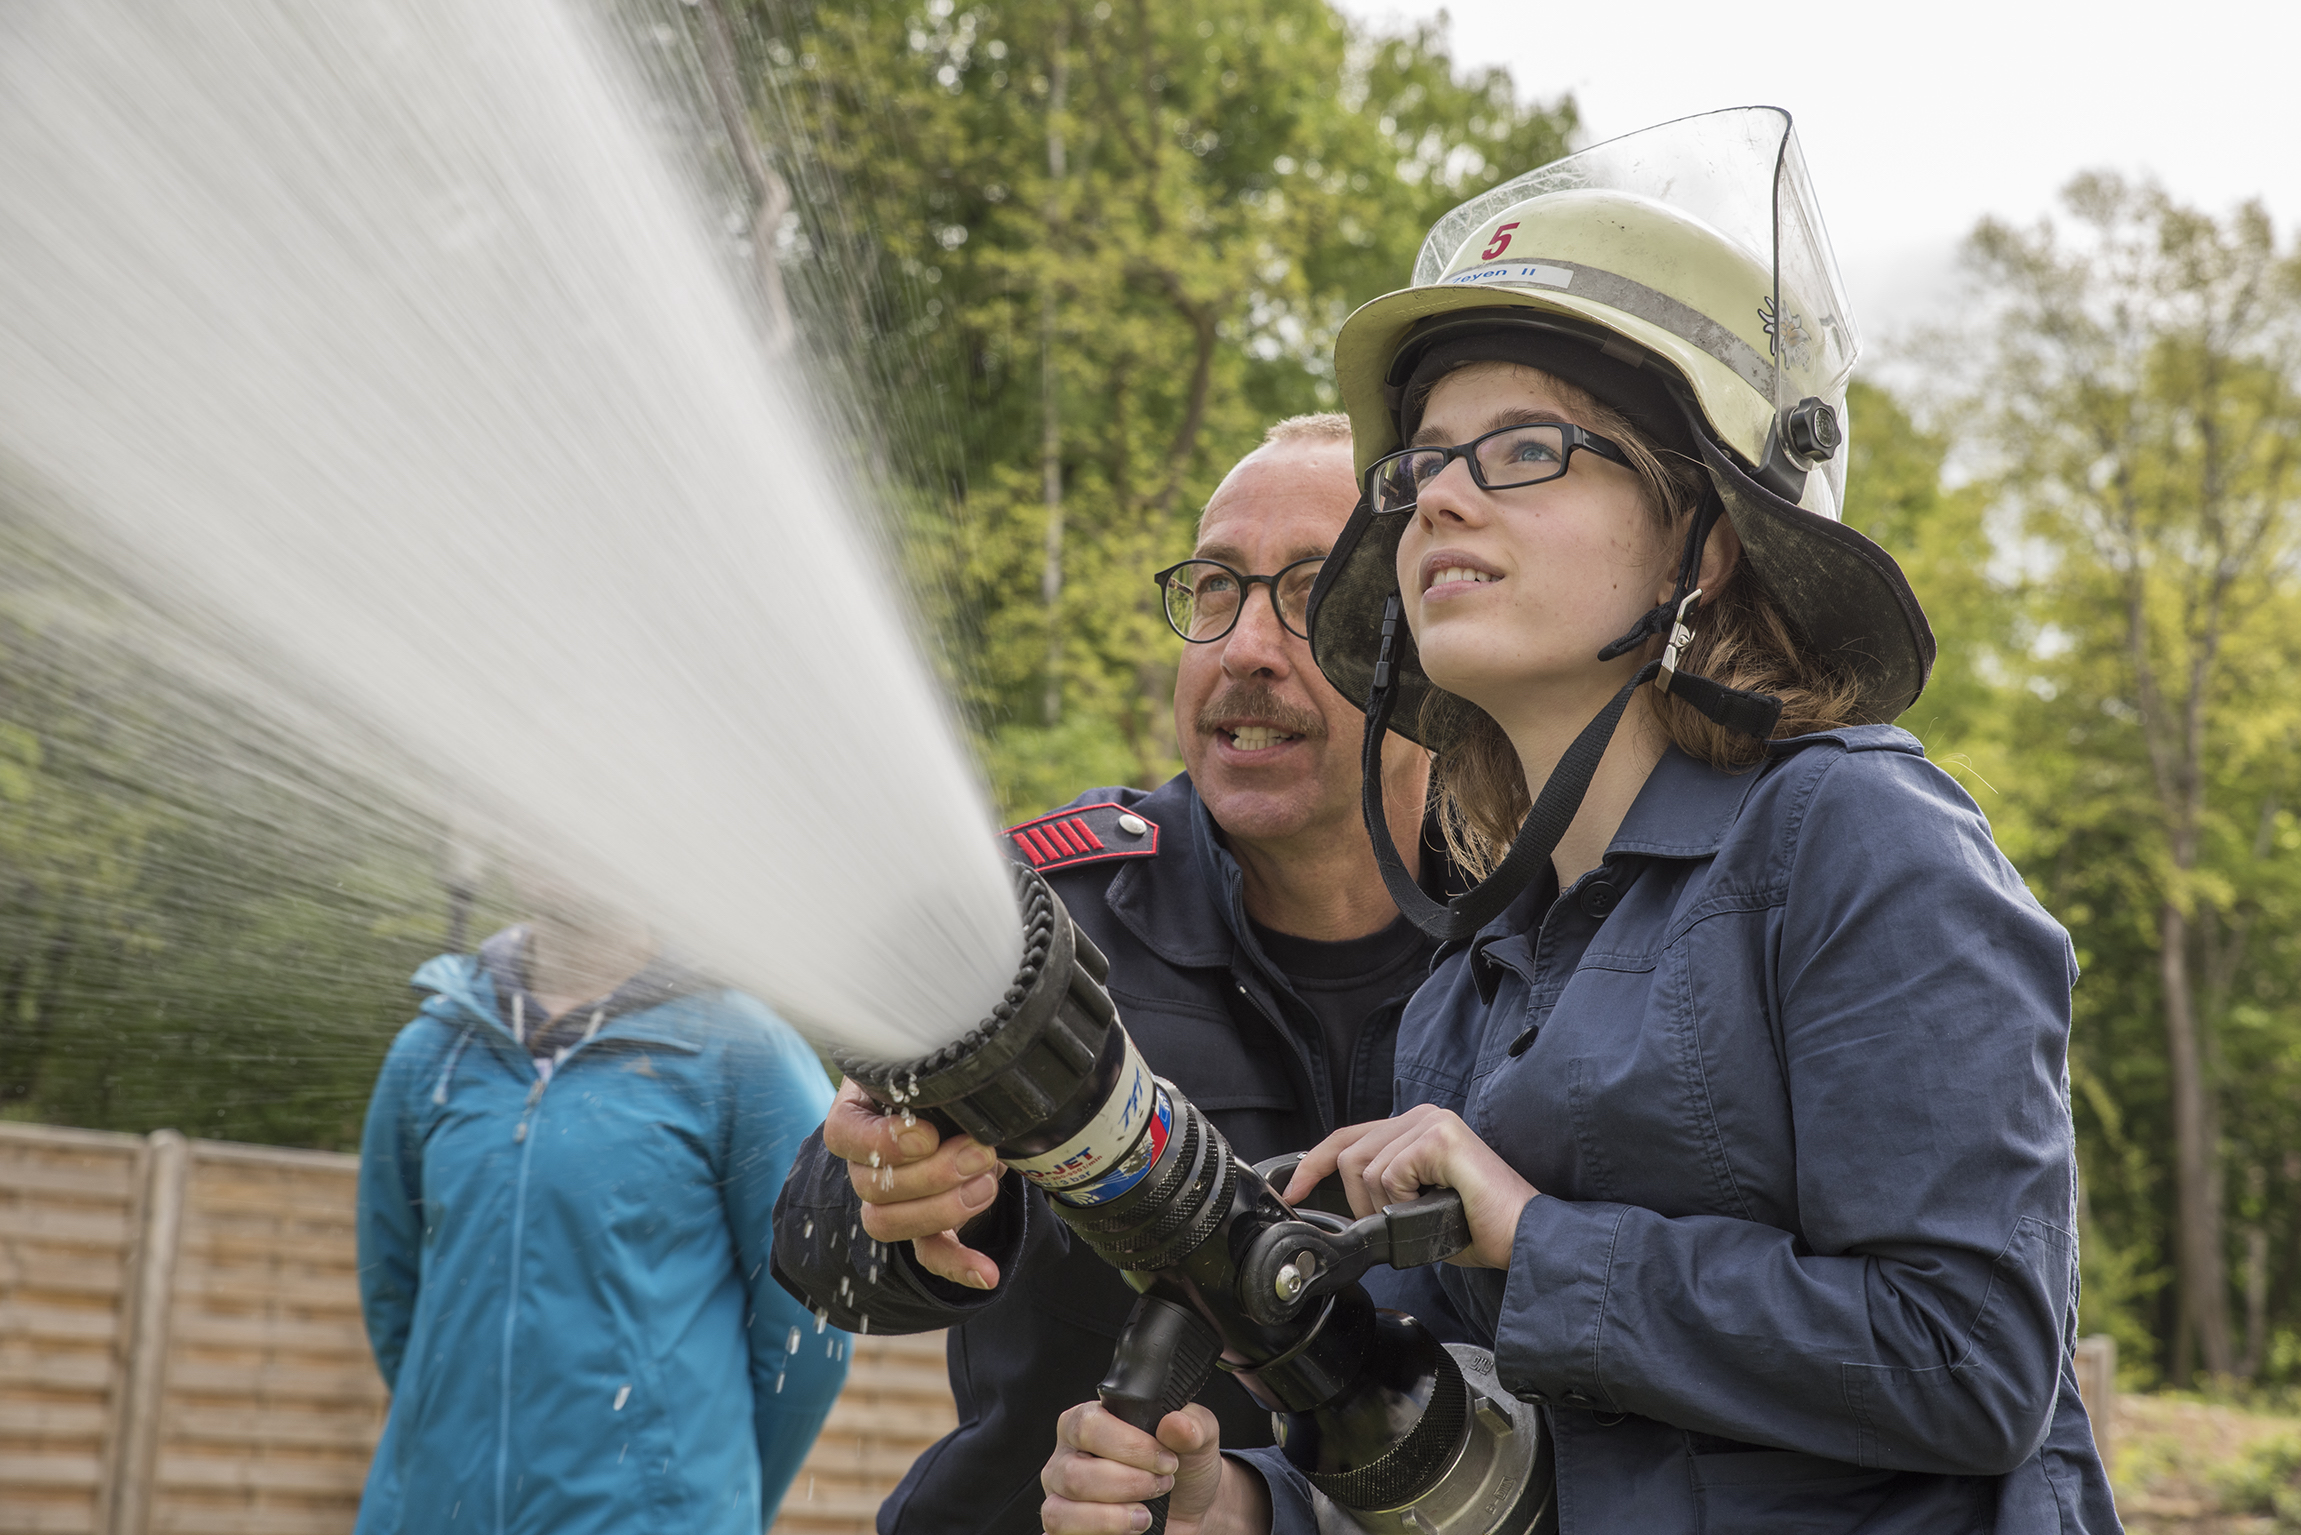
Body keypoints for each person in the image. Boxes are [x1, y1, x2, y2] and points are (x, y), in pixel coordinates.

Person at [1036, 108, 2121, 1534]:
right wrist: (1243, 1501)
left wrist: (1536, 1236)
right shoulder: (1474, 979)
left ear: (1705, 537)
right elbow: (1504, 1457)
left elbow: (1969, 1354)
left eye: (1527, 450)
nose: (1436, 502)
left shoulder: (1857, 841)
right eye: (1421, 462)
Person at [768, 415, 1472, 1534]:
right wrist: (903, 1203)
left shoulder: (1544, 937)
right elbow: (817, 1252)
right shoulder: (1041, 916)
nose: (1243, 645)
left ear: (1436, 636)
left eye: (1306, 592)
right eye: (1213, 589)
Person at [353, 863, 845, 1535]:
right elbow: (394, 1296)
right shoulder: (432, 1048)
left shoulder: (746, 1055)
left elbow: (807, 1333)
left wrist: (708, 1503)